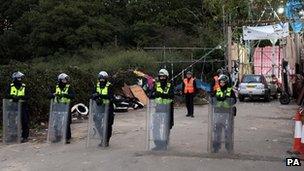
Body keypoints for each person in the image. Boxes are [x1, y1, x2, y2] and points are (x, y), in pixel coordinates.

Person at [150, 69, 174, 150]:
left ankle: (165, 143)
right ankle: (158, 144)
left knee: (166, 127)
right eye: (160, 76)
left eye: (164, 76)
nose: (162, 78)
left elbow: (171, 95)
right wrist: (155, 94)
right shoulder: (156, 85)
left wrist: (160, 94)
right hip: (158, 109)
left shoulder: (170, 85)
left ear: (166, 77)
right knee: (156, 127)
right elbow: (151, 95)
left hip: (168, 109)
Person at [212, 74, 237, 152]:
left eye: (223, 82)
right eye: (220, 82)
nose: (221, 83)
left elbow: (234, 100)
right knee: (217, 130)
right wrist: (212, 99)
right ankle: (216, 147)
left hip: (227, 113)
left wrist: (229, 100)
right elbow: (212, 99)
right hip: (218, 112)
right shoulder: (217, 90)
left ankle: (228, 147)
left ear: (226, 82)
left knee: (227, 131)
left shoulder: (230, 91)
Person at [50, 73, 75, 144]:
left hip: (66, 107)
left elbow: (73, 95)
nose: (65, 81)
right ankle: (57, 137)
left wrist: (66, 95)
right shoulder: (55, 87)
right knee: (56, 123)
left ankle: (67, 137)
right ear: (60, 80)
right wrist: (53, 95)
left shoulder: (68, 87)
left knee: (66, 122)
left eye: (66, 80)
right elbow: (49, 95)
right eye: (64, 80)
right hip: (57, 107)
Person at [92, 71, 115, 147]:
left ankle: (106, 140)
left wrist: (100, 96)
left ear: (106, 79)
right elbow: (92, 95)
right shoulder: (97, 86)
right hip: (99, 107)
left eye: (103, 79)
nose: (102, 80)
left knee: (108, 124)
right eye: (100, 79)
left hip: (108, 107)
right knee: (97, 122)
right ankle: (102, 137)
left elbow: (110, 96)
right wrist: (95, 97)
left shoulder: (110, 86)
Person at [6, 71, 29, 143]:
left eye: (20, 78)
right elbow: (6, 95)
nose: (20, 79)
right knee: (12, 122)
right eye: (18, 78)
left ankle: (25, 137)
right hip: (12, 107)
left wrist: (21, 97)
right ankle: (13, 136)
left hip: (22, 107)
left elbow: (28, 96)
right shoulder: (11, 86)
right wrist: (13, 97)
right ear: (15, 78)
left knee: (24, 122)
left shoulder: (24, 86)